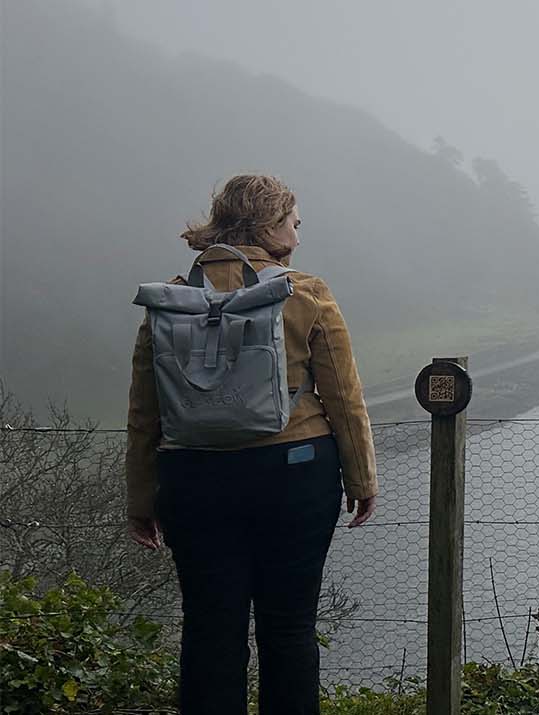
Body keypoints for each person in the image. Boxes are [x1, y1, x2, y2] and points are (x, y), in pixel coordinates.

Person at [126, 174, 377, 714]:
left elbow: (146, 411)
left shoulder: (170, 298)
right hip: (295, 472)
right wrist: (361, 479)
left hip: (193, 478)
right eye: (293, 222)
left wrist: (141, 497)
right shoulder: (305, 292)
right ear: (268, 225)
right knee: (288, 628)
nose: (298, 234)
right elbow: (343, 396)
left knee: (210, 628)